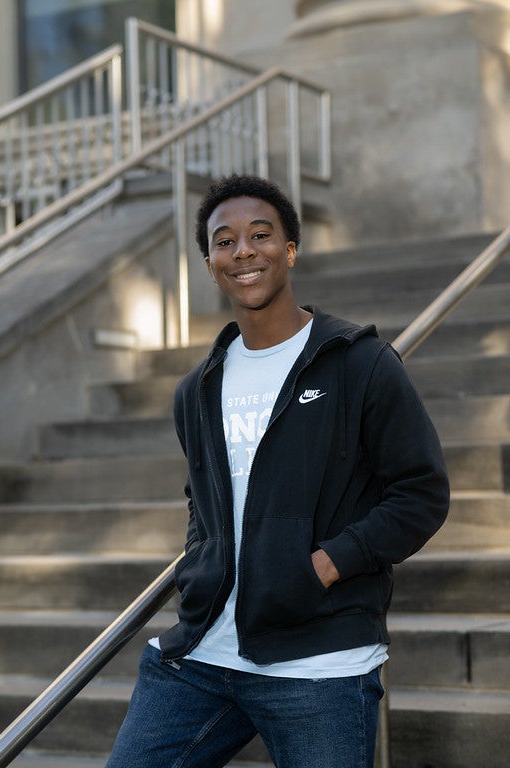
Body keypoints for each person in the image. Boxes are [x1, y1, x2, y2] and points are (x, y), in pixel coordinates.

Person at [105, 174, 449, 768]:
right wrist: (202, 564)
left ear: (289, 249)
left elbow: (421, 492)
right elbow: (203, 504)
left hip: (319, 664)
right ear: (209, 263)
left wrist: (324, 566)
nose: (243, 251)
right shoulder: (196, 390)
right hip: (201, 656)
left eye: (260, 235)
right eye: (224, 241)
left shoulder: (358, 362)